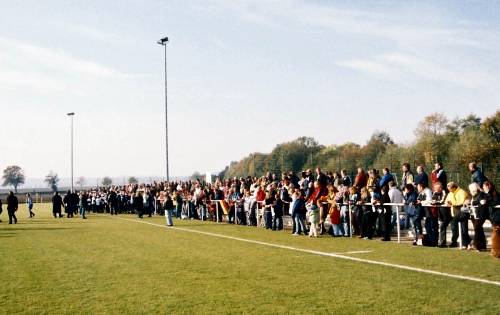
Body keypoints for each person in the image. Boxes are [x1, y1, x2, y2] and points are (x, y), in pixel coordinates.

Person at [445, 182, 471, 249]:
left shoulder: (462, 192)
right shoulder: (450, 193)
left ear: (454, 187)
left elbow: (462, 202)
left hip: (462, 213)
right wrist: (447, 203)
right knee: (454, 229)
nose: (449, 191)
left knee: (464, 229)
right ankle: (454, 243)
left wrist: (452, 203)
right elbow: (447, 200)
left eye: (450, 189)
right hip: (453, 213)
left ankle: (467, 243)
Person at [468, 183, 488, 251]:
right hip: (474, 214)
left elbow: (482, 203)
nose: (470, 190)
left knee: (477, 228)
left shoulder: (481, 194)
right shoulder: (474, 195)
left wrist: (473, 203)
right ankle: (482, 245)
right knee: (479, 229)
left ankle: (475, 244)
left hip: (480, 214)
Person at [483, 181, 500, 258]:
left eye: (484, 186)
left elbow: (493, 203)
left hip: (497, 217)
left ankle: (496, 252)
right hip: (493, 217)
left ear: (488, 187)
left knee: (495, 235)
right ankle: (495, 251)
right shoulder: (489, 194)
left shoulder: (495, 194)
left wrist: (486, 199)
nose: (483, 188)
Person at [432, 183, 449, 248]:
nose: (435, 189)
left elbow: (443, 201)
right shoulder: (435, 193)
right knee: (442, 227)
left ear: (440, 188)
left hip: (447, 214)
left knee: (442, 227)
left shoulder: (444, 192)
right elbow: (432, 200)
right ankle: (442, 242)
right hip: (440, 213)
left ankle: (442, 243)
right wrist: (435, 202)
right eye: (435, 188)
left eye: (437, 188)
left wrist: (436, 202)